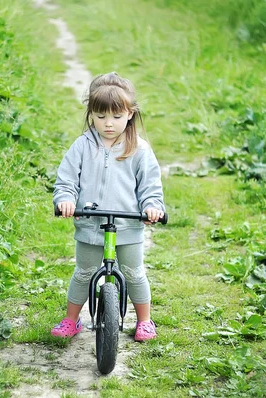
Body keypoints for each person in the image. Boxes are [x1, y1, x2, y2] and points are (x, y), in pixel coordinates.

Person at [51, 72, 165, 342]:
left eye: (116, 116)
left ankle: (145, 321)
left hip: (127, 226)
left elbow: (150, 185)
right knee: (84, 272)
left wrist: (152, 206)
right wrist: (65, 200)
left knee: (134, 273)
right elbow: (66, 179)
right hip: (90, 224)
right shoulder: (82, 146)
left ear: (130, 114)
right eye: (101, 117)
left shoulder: (139, 149)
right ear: (91, 114)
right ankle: (71, 319)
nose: (108, 124)